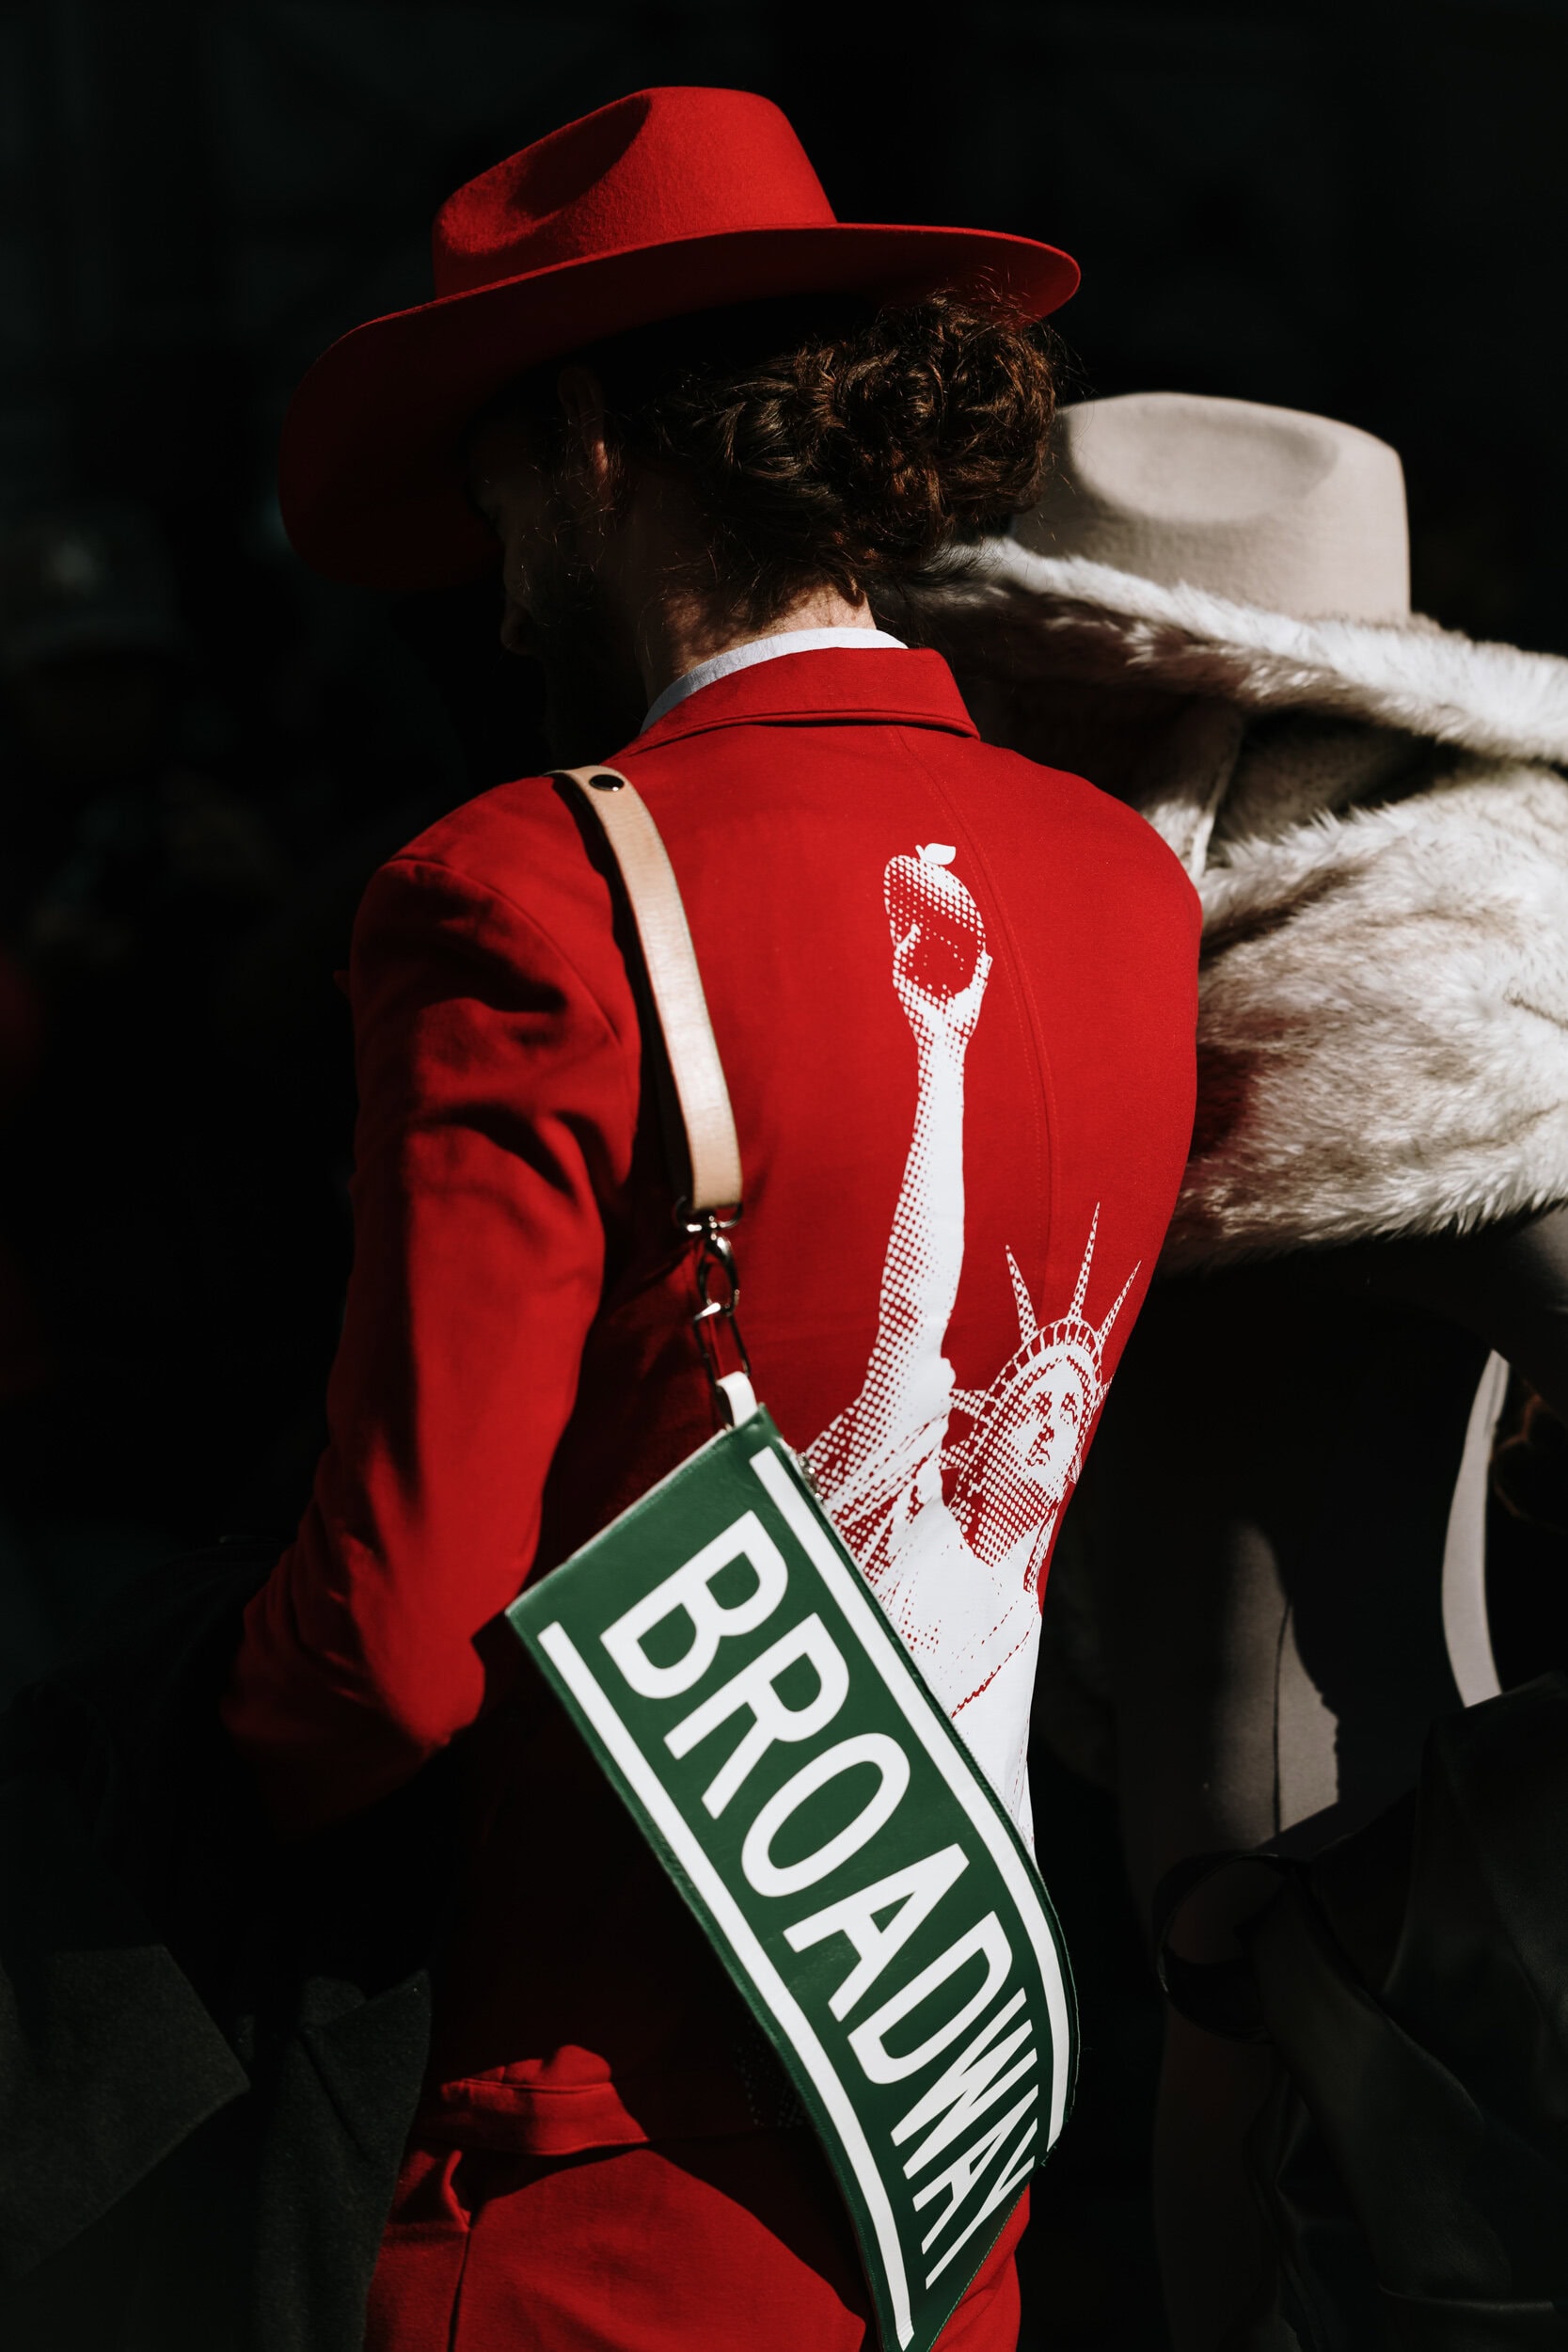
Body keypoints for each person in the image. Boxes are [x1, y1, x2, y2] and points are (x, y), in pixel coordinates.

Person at [221, 87, 1199, 2350]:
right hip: (935, 2172)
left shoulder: (518, 889)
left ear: (584, 443)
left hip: (576, 2187)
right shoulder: (1123, 891)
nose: (483, 559)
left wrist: (176, 1744)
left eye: (487, 479)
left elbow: (382, 1647)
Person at [938, 389, 1568, 2347]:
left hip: (1355, 1957)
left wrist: (1422, 1876)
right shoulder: (1384, 930)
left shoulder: (1390, 972)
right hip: (1259, 1942)